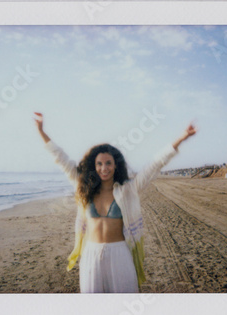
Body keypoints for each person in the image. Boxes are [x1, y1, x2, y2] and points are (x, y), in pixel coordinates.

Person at [34, 111, 197, 293]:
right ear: (94, 166)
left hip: (120, 254)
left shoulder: (128, 190)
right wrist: (41, 131)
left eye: (108, 163)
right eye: (99, 164)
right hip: (91, 254)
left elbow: (156, 164)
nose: (104, 168)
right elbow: (61, 159)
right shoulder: (84, 188)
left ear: (115, 165)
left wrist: (182, 137)